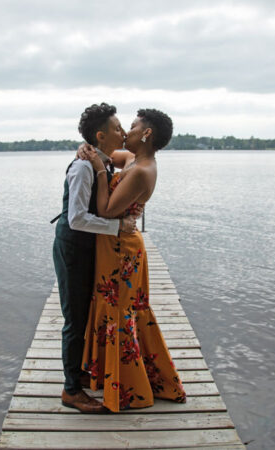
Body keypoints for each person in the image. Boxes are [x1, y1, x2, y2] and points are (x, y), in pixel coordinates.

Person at [80, 108, 187, 412]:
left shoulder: (143, 170)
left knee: (119, 310)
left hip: (121, 250)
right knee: (114, 308)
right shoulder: (131, 160)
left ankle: (130, 387)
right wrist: (86, 150)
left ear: (147, 133)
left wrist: (101, 173)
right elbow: (101, 153)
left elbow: (105, 210)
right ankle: (111, 376)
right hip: (112, 245)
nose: (126, 132)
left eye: (132, 126)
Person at [52, 103, 140, 413]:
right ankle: (71, 390)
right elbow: (76, 218)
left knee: (85, 311)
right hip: (73, 247)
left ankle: (80, 373)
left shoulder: (101, 159)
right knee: (74, 319)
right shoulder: (83, 166)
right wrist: (118, 226)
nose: (124, 132)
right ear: (102, 136)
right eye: (118, 128)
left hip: (89, 247)